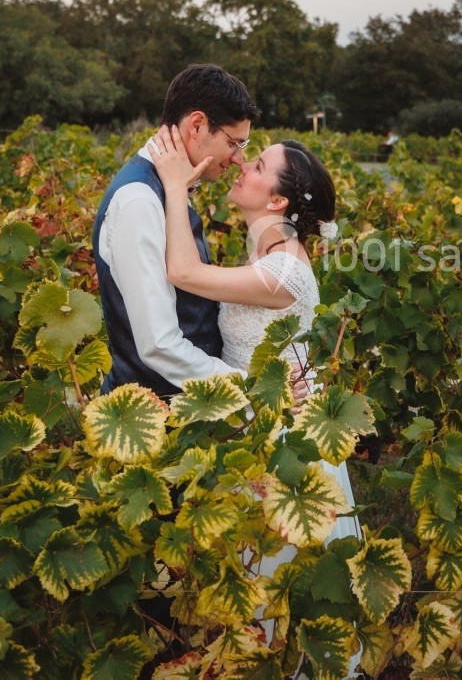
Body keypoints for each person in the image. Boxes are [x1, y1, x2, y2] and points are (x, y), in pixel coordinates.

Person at [146, 125, 362, 669]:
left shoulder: (284, 268)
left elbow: (181, 272)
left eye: (257, 165)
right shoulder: (265, 249)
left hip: (279, 438)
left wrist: (174, 185)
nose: (242, 164)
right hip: (254, 416)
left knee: (271, 584)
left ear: (277, 199)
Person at [93, 64, 259, 398]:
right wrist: (249, 389)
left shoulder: (170, 185)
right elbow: (159, 345)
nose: (239, 159)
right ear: (197, 124)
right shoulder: (139, 201)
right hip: (161, 414)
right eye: (234, 143)